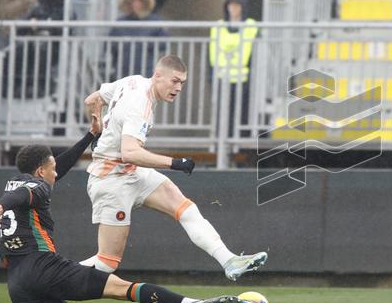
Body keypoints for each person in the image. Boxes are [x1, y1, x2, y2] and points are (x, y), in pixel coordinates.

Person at [0, 133, 247, 303]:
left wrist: (90, 136)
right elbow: (25, 196)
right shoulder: (35, 188)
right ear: (41, 171)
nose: (56, 172)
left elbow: (39, 181)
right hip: (44, 269)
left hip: (18, 288)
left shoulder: (17, 181)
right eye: (52, 168)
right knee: (124, 289)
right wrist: (1, 206)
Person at [78, 55, 269, 278]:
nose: (178, 88)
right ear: (158, 75)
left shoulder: (133, 81)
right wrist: (175, 163)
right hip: (111, 179)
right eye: (174, 81)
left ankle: (230, 261)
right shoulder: (140, 107)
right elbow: (130, 153)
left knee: (186, 208)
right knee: (106, 263)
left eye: (182, 83)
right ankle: (46, 285)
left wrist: (96, 127)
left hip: (131, 173)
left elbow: (92, 100)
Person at [209, 0, 259, 138]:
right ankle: (221, 139)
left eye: (237, 6)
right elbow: (212, 53)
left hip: (242, 78)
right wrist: (211, 75)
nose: (233, 9)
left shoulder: (250, 26)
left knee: (241, 114)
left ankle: (239, 145)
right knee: (222, 113)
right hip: (222, 76)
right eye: (231, 5)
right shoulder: (219, 26)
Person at [110, 0, 168, 76]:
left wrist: (146, 44)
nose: (135, 4)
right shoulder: (121, 21)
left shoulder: (154, 21)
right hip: (123, 70)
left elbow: (164, 43)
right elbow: (111, 45)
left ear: (145, 2)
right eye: (132, 0)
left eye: (139, 0)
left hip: (146, 70)